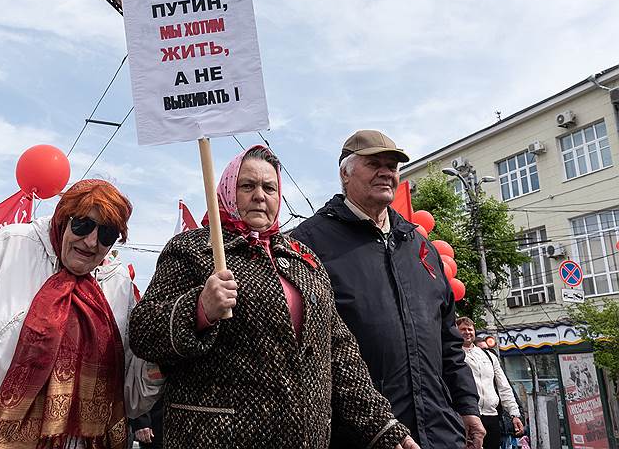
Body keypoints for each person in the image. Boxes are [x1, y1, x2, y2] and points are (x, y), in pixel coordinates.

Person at [130, 145, 418, 449]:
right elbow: (143, 331)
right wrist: (200, 309)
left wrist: (382, 426)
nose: (259, 195)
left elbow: (339, 352)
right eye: (247, 186)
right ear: (227, 189)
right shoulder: (193, 248)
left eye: (269, 187)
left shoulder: (302, 258)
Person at [0, 179, 161, 449]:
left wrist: (165, 354)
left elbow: (129, 397)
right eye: (82, 225)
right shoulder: (4, 249)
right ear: (63, 218)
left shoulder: (117, 284)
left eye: (107, 234)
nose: (91, 241)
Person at [291, 130, 485, 449]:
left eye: (392, 166)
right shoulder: (308, 244)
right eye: (374, 163)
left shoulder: (421, 248)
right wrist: (376, 429)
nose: (386, 172)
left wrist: (467, 407)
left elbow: (448, 339)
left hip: (439, 432)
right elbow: (307, 353)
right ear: (345, 173)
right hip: (361, 437)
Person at [456, 318, 524, 449]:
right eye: (463, 329)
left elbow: (504, 387)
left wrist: (514, 414)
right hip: (466, 416)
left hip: (492, 416)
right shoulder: (453, 356)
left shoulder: (488, 356)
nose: (467, 332)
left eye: (470, 329)